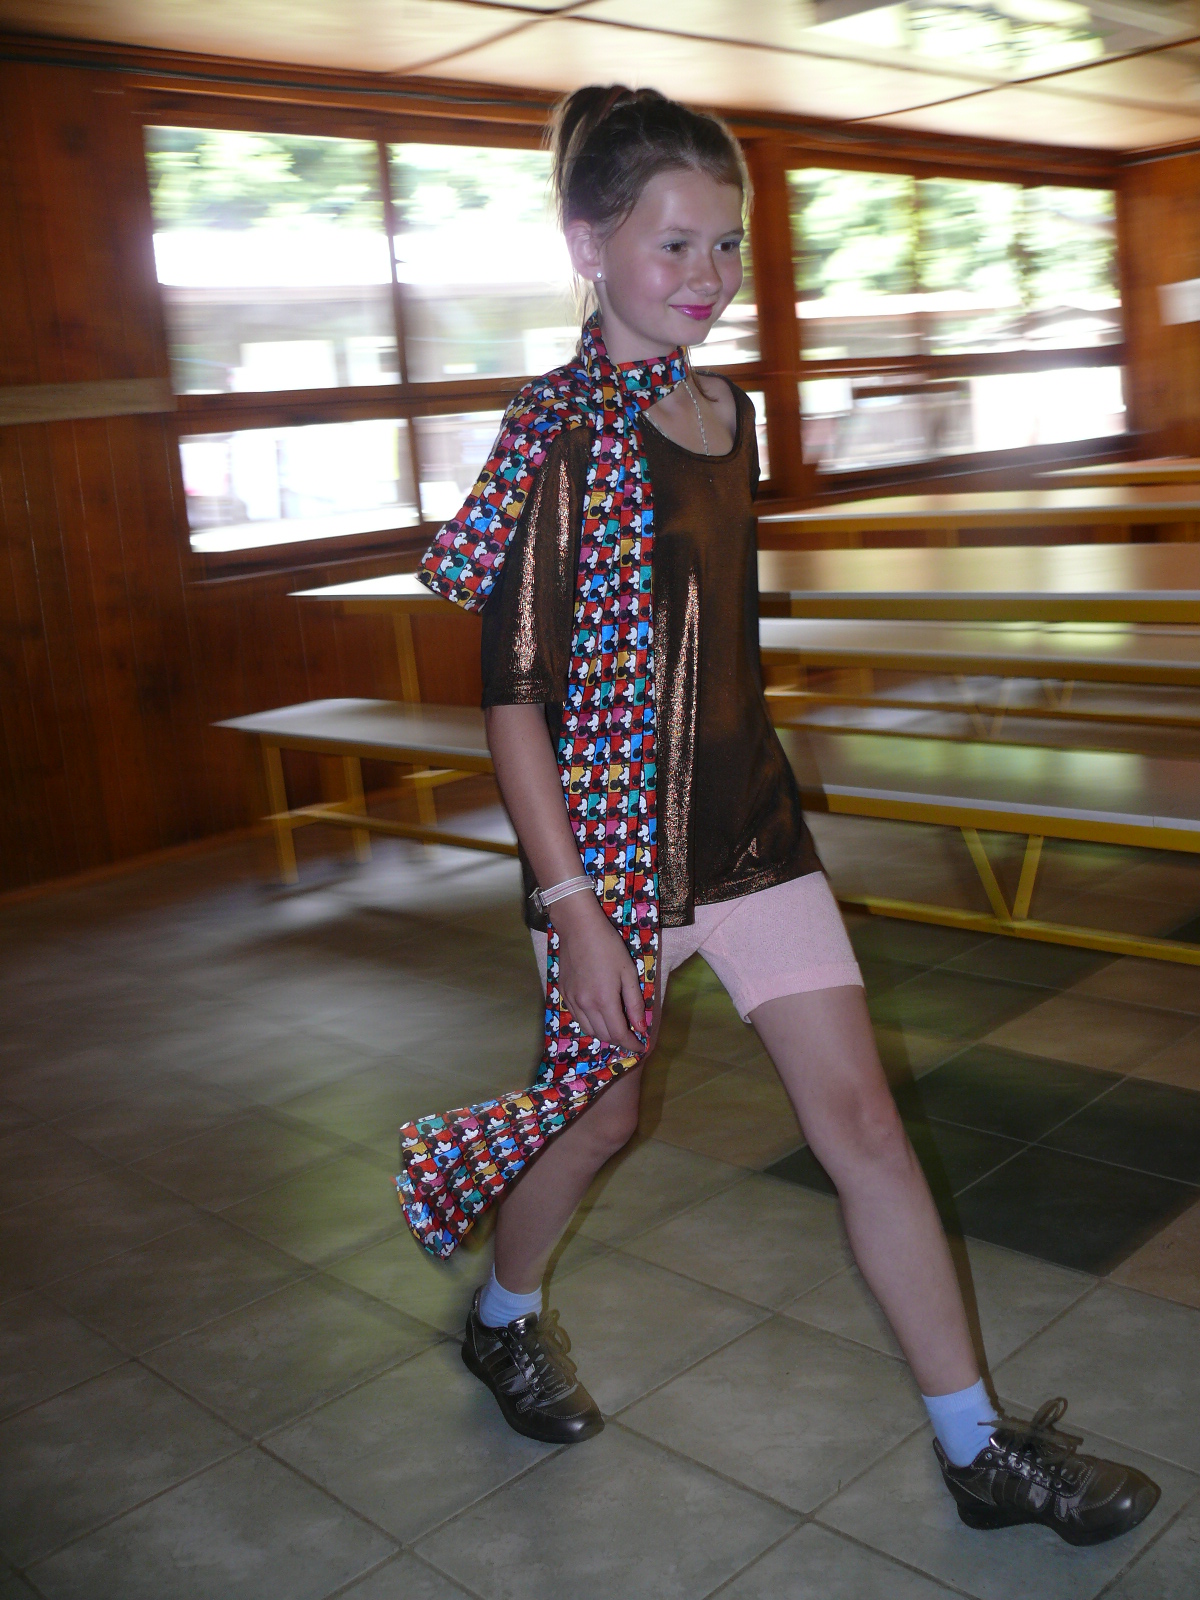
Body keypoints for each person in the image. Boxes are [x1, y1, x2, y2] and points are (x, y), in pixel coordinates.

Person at [397, 84, 1158, 1548]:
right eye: (675, 244)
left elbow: (715, 648)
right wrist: (575, 911)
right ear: (589, 244)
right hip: (608, 866)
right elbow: (512, 703)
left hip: (754, 839)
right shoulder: (551, 438)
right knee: (602, 1122)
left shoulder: (725, 412)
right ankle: (503, 1316)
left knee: (864, 1124)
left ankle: (977, 1448)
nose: (709, 276)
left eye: (727, 246)